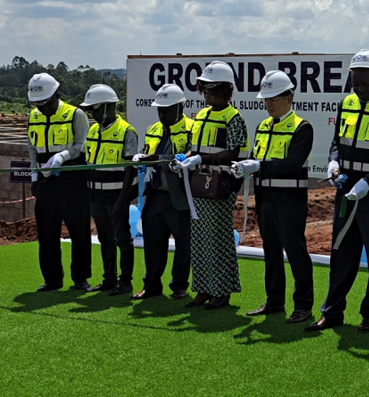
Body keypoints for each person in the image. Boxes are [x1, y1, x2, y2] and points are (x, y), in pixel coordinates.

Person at [306, 49, 369, 333]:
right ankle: (332, 312)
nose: (360, 89)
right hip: (346, 192)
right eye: (355, 83)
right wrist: (333, 163)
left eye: (365, 83)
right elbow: (336, 142)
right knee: (341, 252)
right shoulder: (346, 103)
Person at [233, 71, 315, 325]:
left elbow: (293, 163)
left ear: (289, 98)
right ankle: (274, 300)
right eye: (266, 99)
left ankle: (303, 306)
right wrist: (246, 166)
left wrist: (258, 166)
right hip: (265, 199)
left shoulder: (302, 127)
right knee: (270, 251)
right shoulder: (262, 126)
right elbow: (255, 158)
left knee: (296, 252)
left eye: (273, 99)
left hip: (290, 200)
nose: (268, 104)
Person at [172, 61, 248, 310]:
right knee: (199, 239)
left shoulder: (233, 118)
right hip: (198, 184)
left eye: (212, 89)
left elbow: (234, 152)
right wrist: (185, 158)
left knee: (218, 238)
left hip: (221, 185)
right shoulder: (201, 115)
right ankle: (203, 288)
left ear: (226, 90)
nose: (207, 94)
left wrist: (202, 159)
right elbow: (194, 147)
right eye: (204, 89)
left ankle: (222, 291)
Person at [26, 72, 92, 292]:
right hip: (46, 181)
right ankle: (52, 279)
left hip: (72, 180)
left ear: (56, 94)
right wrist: (34, 178)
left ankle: (80, 278)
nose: (42, 108)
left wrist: (63, 156)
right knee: (46, 232)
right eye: (38, 104)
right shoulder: (33, 116)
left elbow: (82, 145)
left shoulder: (75, 114)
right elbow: (32, 150)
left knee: (79, 230)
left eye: (46, 103)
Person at [128, 83, 194, 301]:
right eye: (159, 110)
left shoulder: (192, 128)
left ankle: (179, 286)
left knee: (183, 242)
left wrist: (159, 159)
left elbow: (190, 155)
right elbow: (147, 154)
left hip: (180, 196)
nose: (162, 114)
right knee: (153, 242)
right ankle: (151, 285)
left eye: (167, 110)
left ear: (181, 107)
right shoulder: (153, 129)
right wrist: (141, 159)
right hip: (155, 193)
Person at [80, 84, 138, 296]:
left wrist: (122, 200)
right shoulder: (93, 130)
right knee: (105, 237)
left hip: (116, 197)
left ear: (107, 107)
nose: (93, 114)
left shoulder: (127, 132)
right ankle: (109, 279)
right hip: (95, 195)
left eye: (95, 109)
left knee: (122, 238)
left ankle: (125, 282)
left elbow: (130, 169)